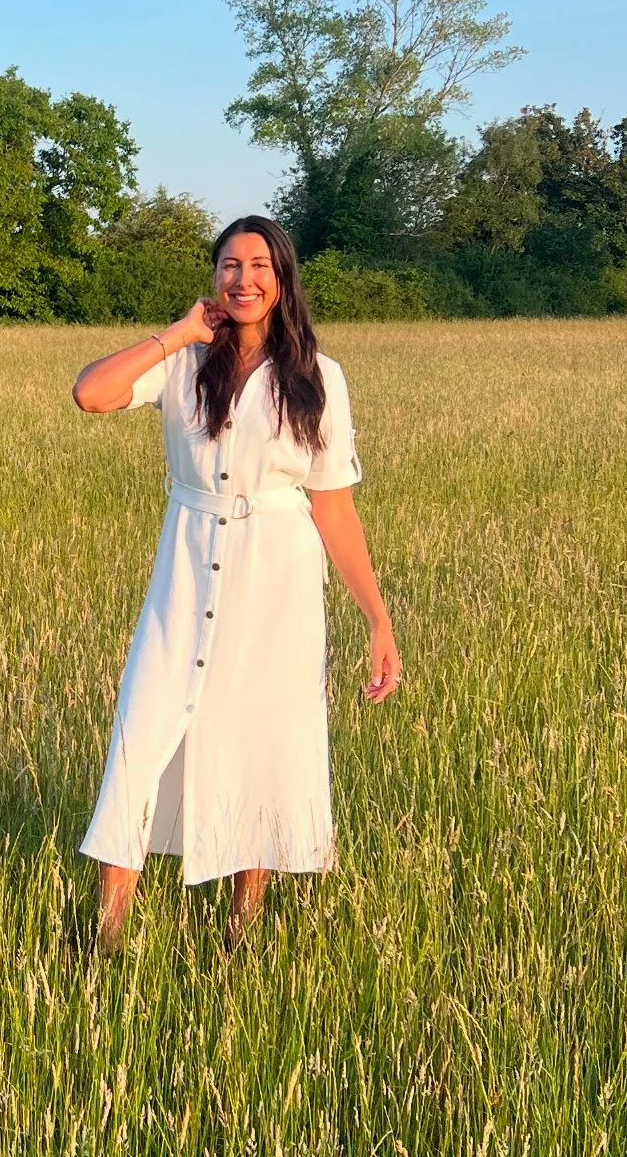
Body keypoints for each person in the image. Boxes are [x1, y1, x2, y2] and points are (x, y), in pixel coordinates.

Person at [73, 213, 401, 952]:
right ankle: (107, 937)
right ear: (214, 278)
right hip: (186, 569)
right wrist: (177, 333)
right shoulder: (185, 362)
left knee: (260, 739)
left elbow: (334, 505)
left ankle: (241, 931)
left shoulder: (320, 378)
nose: (242, 278)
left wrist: (378, 621)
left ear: (282, 278)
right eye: (229, 265)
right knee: (142, 731)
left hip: (278, 577)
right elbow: (90, 394)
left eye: (258, 265)